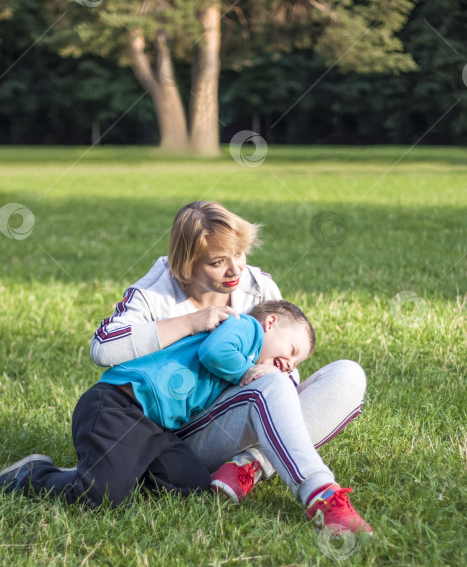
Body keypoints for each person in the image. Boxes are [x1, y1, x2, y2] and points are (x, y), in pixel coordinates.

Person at [1, 201, 372, 534]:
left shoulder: (259, 288)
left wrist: (279, 372)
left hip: (235, 415)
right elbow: (103, 347)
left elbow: (279, 359)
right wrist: (192, 323)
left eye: (239, 253)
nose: (235, 270)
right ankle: (321, 495)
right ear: (185, 265)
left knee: (346, 374)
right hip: (170, 420)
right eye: (217, 262)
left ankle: (252, 465)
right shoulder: (155, 292)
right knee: (106, 493)